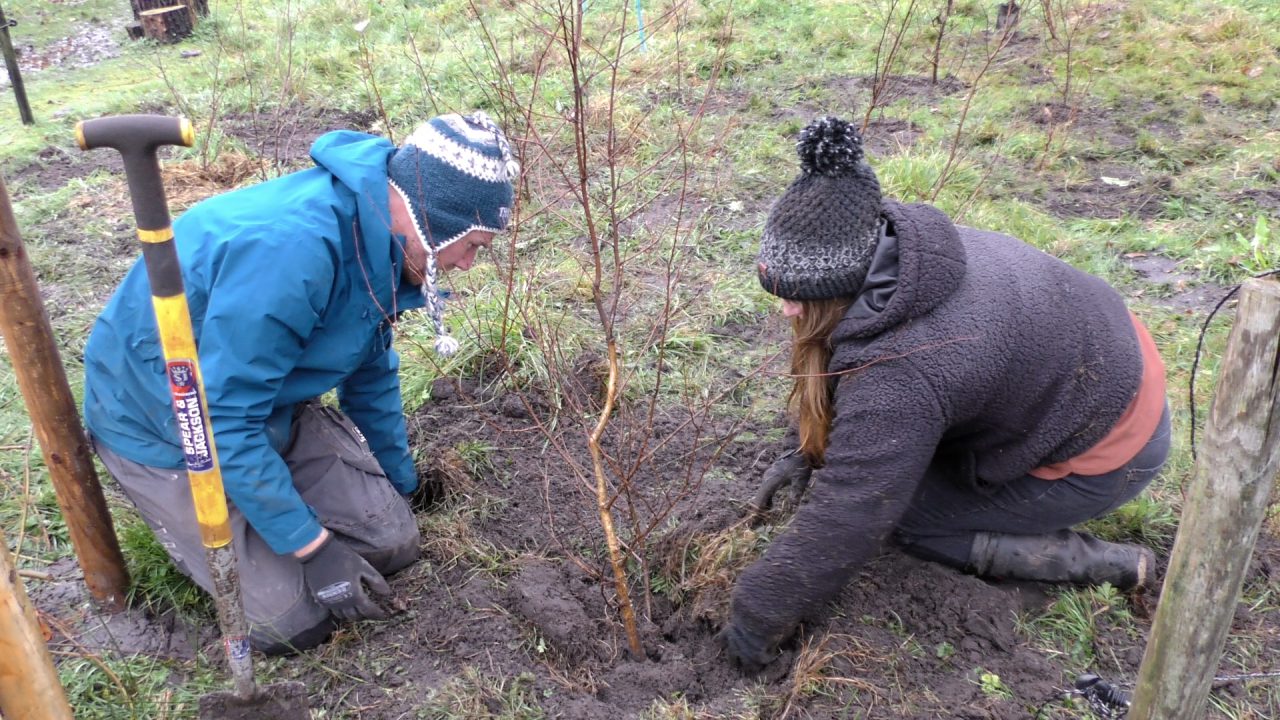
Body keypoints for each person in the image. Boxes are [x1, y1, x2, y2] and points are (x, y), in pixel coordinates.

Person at [720, 116, 1169, 673]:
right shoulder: (906, 255)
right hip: (1108, 359)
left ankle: (1101, 564)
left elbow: (855, 509)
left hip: (1110, 443)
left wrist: (755, 618)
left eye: (797, 297)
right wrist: (804, 448)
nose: (786, 308)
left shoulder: (907, 366)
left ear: (842, 284)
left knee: (904, 516)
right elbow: (856, 380)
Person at [83, 111, 518, 654]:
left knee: (392, 542)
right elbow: (222, 419)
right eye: (472, 245)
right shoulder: (293, 251)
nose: (468, 264)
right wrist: (312, 548)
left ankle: (272, 493)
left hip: (264, 401)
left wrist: (399, 482)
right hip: (166, 421)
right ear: (431, 221)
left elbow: (370, 371)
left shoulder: (377, 239)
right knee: (291, 621)